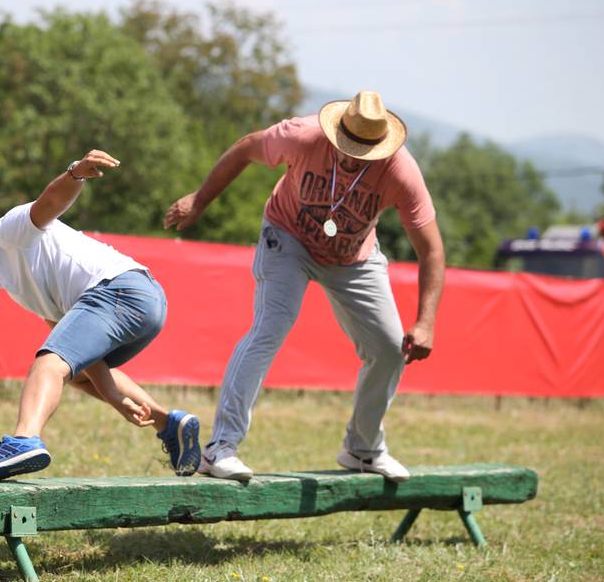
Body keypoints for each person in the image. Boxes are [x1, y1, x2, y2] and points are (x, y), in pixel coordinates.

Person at [164, 90, 445, 483]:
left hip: (354, 257)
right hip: (288, 239)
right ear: (335, 134)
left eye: (364, 153)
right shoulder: (301, 135)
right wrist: (200, 200)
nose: (352, 159)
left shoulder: (401, 171)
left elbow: (431, 249)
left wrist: (426, 321)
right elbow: (246, 147)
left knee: (388, 347)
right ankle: (220, 448)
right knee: (270, 329)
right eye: (347, 148)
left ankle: (362, 450)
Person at [0, 150, 201, 482]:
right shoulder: (16, 283)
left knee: (47, 363)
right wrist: (114, 398)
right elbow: (81, 353)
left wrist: (76, 173)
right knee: (74, 372)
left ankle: (24, 439)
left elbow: (49, 203)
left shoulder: (7, 234)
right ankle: (169, 425)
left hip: (121, 290)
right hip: (146, 303)